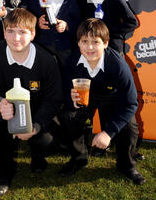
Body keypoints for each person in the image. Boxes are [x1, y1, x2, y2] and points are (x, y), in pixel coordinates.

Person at [0, 8, 63, 196]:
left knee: (46, 141)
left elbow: (54, 98)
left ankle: (38, 155)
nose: (16, 38)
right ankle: (3, 173)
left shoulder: (48, 60)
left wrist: (36, 125)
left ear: (32, 34)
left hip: (35, 113)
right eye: (11, 31)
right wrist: (0, 103)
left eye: (22, 32)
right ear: (4, 32)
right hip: (5, 110)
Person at [58, 18, 145, 185]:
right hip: (86, 96)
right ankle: (79, 157)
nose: (89, 47)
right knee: (68, 116)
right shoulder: (72, 61)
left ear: (105, 43)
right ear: (78, 43)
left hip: (112, 97)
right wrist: (71, 100)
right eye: (84, 41)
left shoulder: (118, 65)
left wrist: (108, 133)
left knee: (129, 126)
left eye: (95, 42)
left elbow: (130, 103)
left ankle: (126, 165)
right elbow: (66, 90)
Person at [26, 0, 81, 68]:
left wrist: (66, 25)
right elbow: (24, 21)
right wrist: (36, 23)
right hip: (39, 47)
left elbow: (78, 22)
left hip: (64, 49)